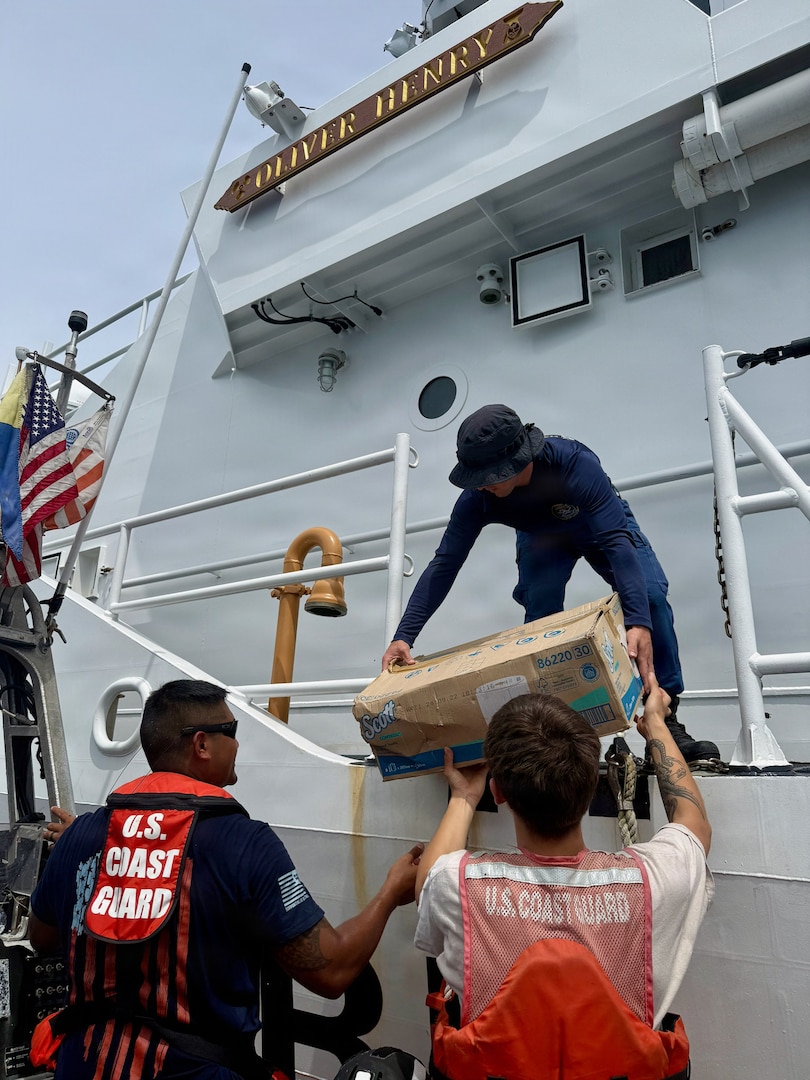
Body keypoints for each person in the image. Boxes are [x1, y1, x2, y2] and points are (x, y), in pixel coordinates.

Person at [29, 679, 423, 1080]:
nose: (237, 744)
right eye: (231, 732)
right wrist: (390, 893)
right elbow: (330, 972)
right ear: (201, 745)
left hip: (83, 1066)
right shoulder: (245, 844)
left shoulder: (80, 836)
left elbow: (41, 935)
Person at [381, 403, 720, 763]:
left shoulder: (573, 463)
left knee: (649, 599)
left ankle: (668, 721)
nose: (480, 484)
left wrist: (637, 621)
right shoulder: (479, 497)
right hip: (541, 539)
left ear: (517, 461)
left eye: (488, 475)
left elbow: (615, 542)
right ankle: (550, 735)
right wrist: (404, 635)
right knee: (540, 621)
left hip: (600, 527)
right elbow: (445, 563)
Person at [413, 688, 713, 1080]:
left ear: (498, 791)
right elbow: (693, 823)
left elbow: (427, 881)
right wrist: (655, 722)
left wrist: (464, 798)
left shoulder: (457, 884)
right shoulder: (653, 881)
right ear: (592, 785)